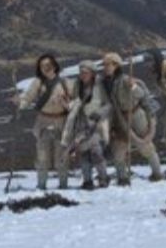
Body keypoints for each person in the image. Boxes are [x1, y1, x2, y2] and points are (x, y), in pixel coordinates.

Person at [101, 52, 164, 185]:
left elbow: (141, 94)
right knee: (118, 150)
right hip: (119, 118)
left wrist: (133, 87)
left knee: (145, 146)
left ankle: (157, 173)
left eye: (109, 64)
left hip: (136, 116)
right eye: (105, 64)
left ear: (116, 65)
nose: (106, 67)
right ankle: (122, 178)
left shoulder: (125, 80)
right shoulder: (105, 82)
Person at [17, 54, 72, 191]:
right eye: (42, 66)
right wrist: (20, 103)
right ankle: (41, 186)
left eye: (48, 65)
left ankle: (63, 185)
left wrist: (65, 103)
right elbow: (28, 98)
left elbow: (75, 103)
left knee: (62, 156)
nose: (45, 68)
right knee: (42, 156)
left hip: (62, 122)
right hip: (43, 122)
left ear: (54, 66)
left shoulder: (65, 83)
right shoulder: (37, 83)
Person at [62, 61, 111, 190]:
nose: (83, 75)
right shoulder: (77, 86)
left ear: (92, 73)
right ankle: (87, 180)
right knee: (83, 153)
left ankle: (103, 178)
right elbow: (74, 101)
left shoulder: (100, 85)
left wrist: (99, 113)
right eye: (81, 72)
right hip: (80, 124)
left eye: (85, 72)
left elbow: (108, 104)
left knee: (96, 152)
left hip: (96, 123)